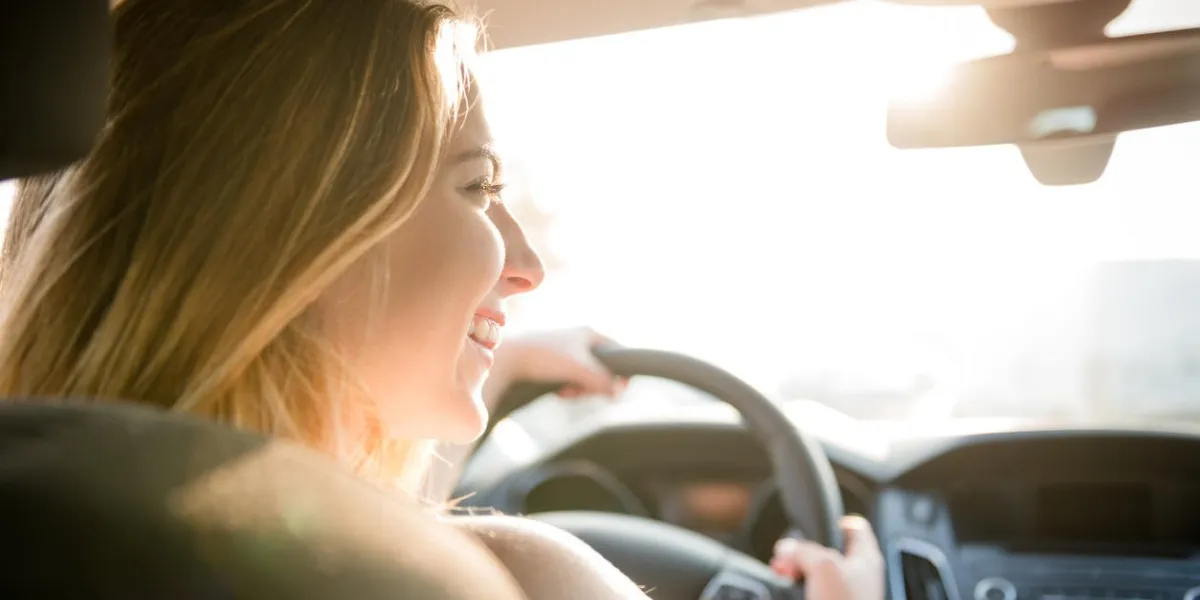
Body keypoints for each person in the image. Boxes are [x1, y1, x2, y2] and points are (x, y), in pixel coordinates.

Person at [0, 0, 883, 599]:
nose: (526, 263)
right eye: (477, 187)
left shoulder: (45, 520)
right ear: (300, 230)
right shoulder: (515, 578)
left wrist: (497, 376)